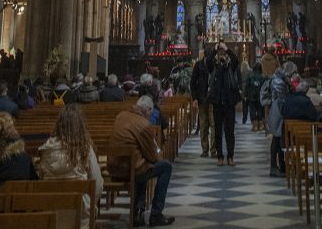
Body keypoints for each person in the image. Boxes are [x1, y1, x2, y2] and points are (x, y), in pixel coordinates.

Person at [110, 94, 175, 226]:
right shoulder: (144, 124)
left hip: (114, 167)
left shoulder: (121, 116)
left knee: (143, 165)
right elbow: (152, 156)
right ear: (148, 111)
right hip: (131, 170)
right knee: (165, 166)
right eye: (151, 113)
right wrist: (158, 153)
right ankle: (156, 214)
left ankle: (138, 212)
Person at [38, 104, 103, 228]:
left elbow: (41, 182)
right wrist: (91, 204)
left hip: (51, 213)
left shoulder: (46, 150)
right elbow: (97, 184)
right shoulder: (85, 149)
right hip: (80, 215)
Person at [206, 41, 241, 166]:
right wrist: (215, 49)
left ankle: (230, 156)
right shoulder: (214, 67)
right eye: (220, 54)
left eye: (223, 54)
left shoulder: (231, 66)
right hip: (217, 102)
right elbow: (207, 61)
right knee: (218, 131)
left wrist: (227, 49)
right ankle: (220, 156)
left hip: (229, 103)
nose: (222, 56)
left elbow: (236, 59)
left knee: (230, 131)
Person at [190, 49, 216, 158]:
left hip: (213, 99)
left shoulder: (215, 65)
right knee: (204, 124)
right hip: (201, 98)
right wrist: (195, 98)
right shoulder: (198, 65)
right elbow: (193, 82)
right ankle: (205, 149)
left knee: (214, 125)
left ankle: (214, 150)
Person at [244, 61, 265, 131]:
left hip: (251, 96)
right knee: (260, 110)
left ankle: (255, 126)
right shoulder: (262, 77)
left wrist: (245, 95)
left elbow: (247, 86)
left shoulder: (250, 76)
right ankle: (261, 125)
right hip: (260, 97)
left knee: (252, 110)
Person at [240, 57, 251, 124]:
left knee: (244, 106)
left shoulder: (241, 72)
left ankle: (244, 119)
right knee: (251, 106)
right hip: (249, 90)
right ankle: (253, 120)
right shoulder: (250, 71)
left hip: (243, 90)